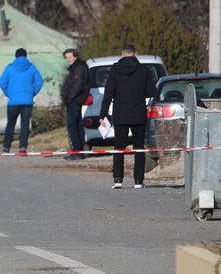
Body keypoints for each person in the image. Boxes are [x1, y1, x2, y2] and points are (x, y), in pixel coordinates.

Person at [97, 44, 158, 189]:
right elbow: (152, 91)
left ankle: (118, 179)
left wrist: (102, 114)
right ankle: (138, 180)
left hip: (120, 114)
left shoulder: (115, 70)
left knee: (119, 147)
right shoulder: (144, 70)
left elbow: (108, 93)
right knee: (139, 147)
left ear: (122, 54)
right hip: (138, 113)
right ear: (135, 53)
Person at [0, 47, 43, 154]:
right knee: (25, 125)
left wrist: (9, 94)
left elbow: (2, 83)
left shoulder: (10, 68)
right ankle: (22, 147)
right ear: (26, 56)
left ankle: (6, 147)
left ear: (16, 56)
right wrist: (32, 93)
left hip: (13, 101)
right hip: (27, 101)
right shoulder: (32, 67)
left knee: (10, 124)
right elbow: (39, 82)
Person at [60, 47, 91, 161]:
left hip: (75, 101)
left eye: (70, 57)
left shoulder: (78, 68)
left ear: (75, 56)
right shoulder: (75, 68)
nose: (68, 59)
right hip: (75, 100)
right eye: (66, 57)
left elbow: (77, 85)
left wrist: (69, 98)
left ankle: (77, 151)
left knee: (73, 126)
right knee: (77, 125)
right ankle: (79, 150)